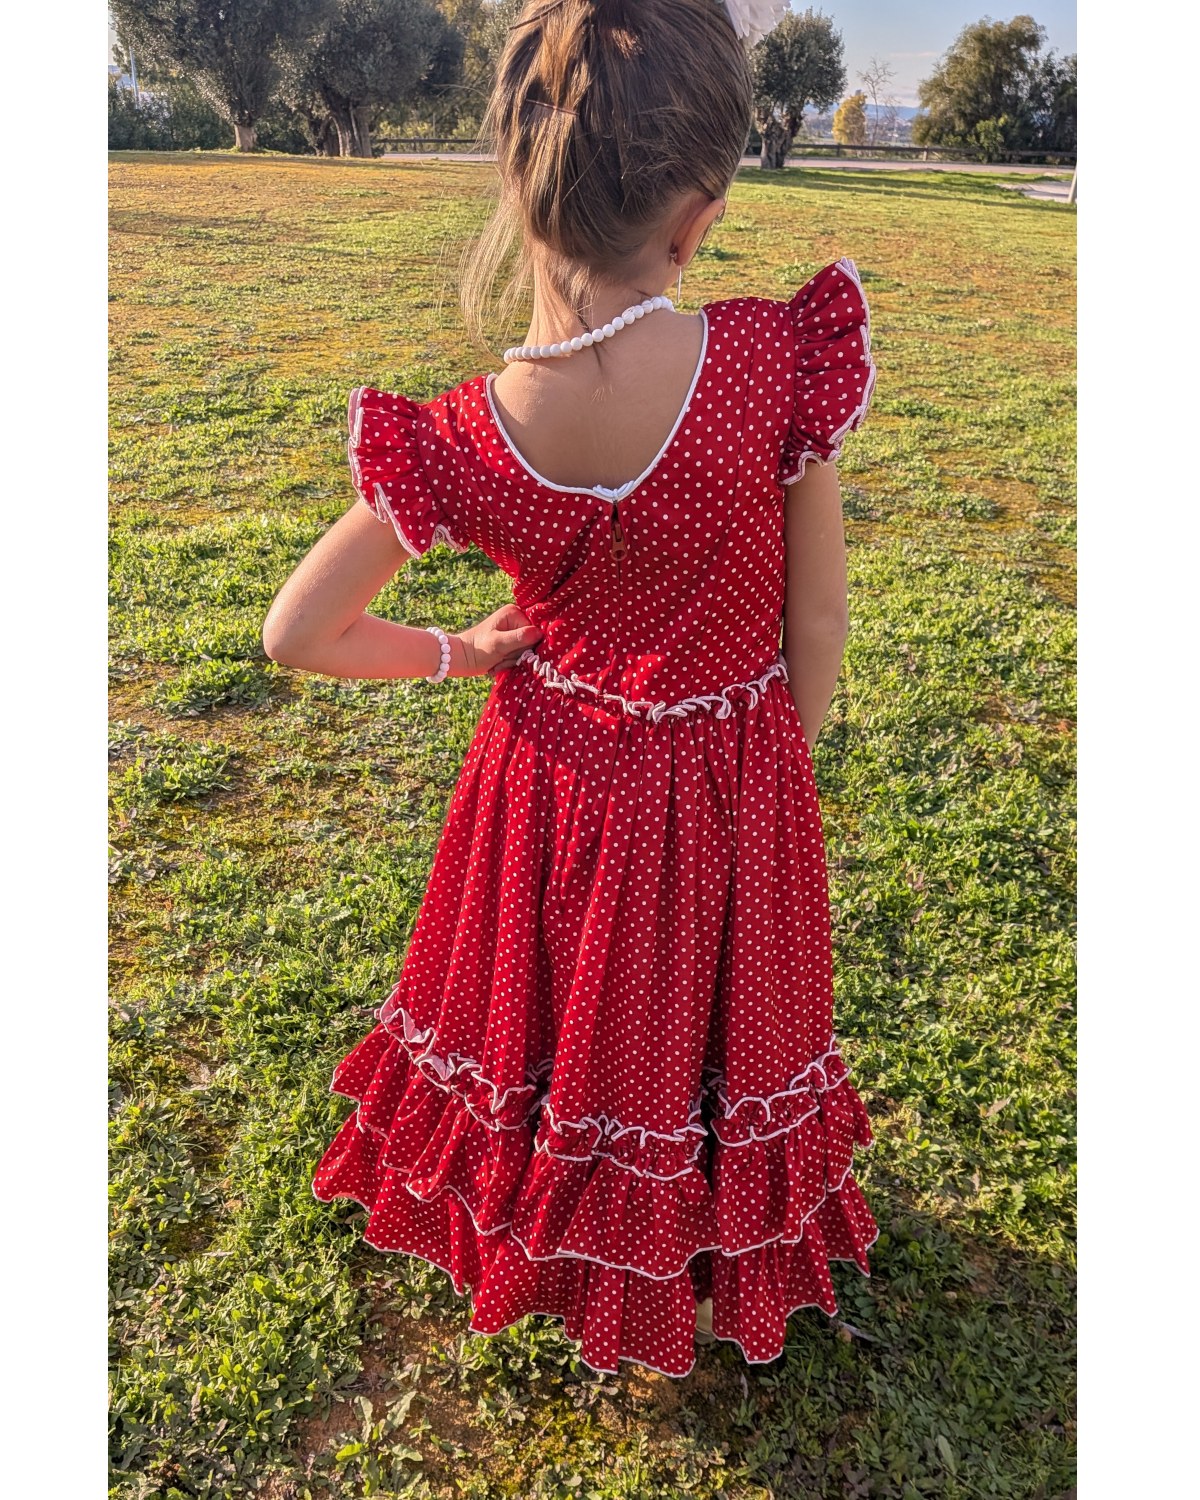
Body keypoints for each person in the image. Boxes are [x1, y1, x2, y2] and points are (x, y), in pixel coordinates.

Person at [262, 0, 879, 1380]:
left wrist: (458, 652)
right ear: (700, 215)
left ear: (523, 184)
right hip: (728, 777)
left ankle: (558, 1247)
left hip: (547, 784)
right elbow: (819, 618)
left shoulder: (469, 434)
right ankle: (698, 1270)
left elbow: (298, 630)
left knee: (567, 1019)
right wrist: (773, 769)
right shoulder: (771, 363)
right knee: (704, 1025)